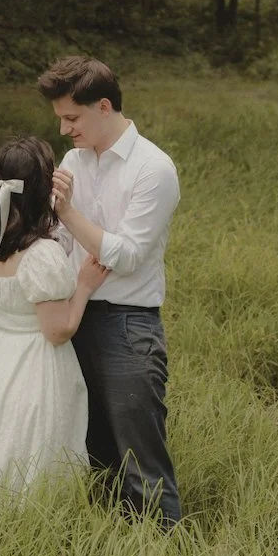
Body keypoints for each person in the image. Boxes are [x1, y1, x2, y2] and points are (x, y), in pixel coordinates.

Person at [37, 56, 182, 527]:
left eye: (71, 118)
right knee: (90, 449)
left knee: (140, 457)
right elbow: (59, 239)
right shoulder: (74, 161)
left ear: (104, 106)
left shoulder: (153, 168)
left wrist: (69, 212)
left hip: (128, 324)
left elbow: (127, 254)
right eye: (60, 118)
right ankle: (111, 552)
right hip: (76, 316)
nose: (63, 129)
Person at [0, 134, 110, 512]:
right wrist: (84, 286)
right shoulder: (41, 253)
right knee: (37, 443)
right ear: (42, 190)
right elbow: (57, 330)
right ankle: (32, 523)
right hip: (36, 362)